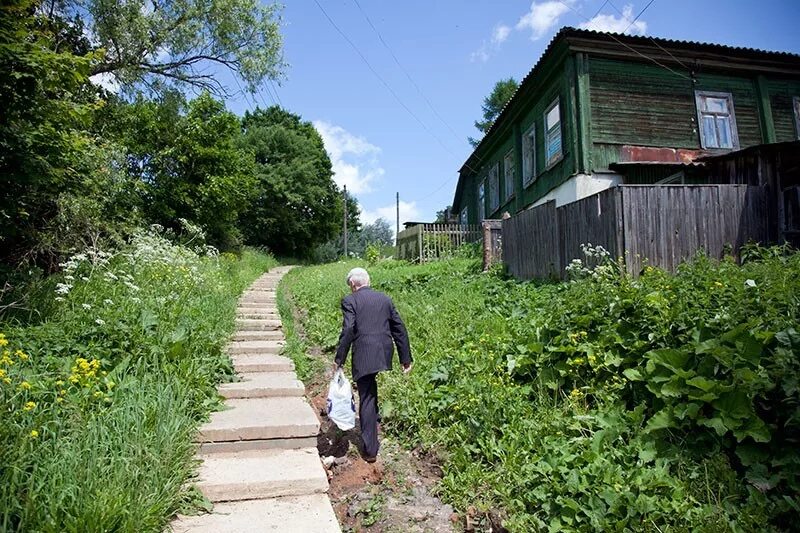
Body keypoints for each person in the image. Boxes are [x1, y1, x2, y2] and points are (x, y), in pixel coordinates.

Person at [334, 267, 412, 463]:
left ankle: (370, 449)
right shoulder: (384, 299)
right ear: (368, 281)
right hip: (383, 351)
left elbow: (349, 329)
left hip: (365, 353)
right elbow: (399, 328)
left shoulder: (350, 300)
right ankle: (374, 420)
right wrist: (405, 358)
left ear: (353, 284)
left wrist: (339, 359)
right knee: (371, 387)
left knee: (366, 395)